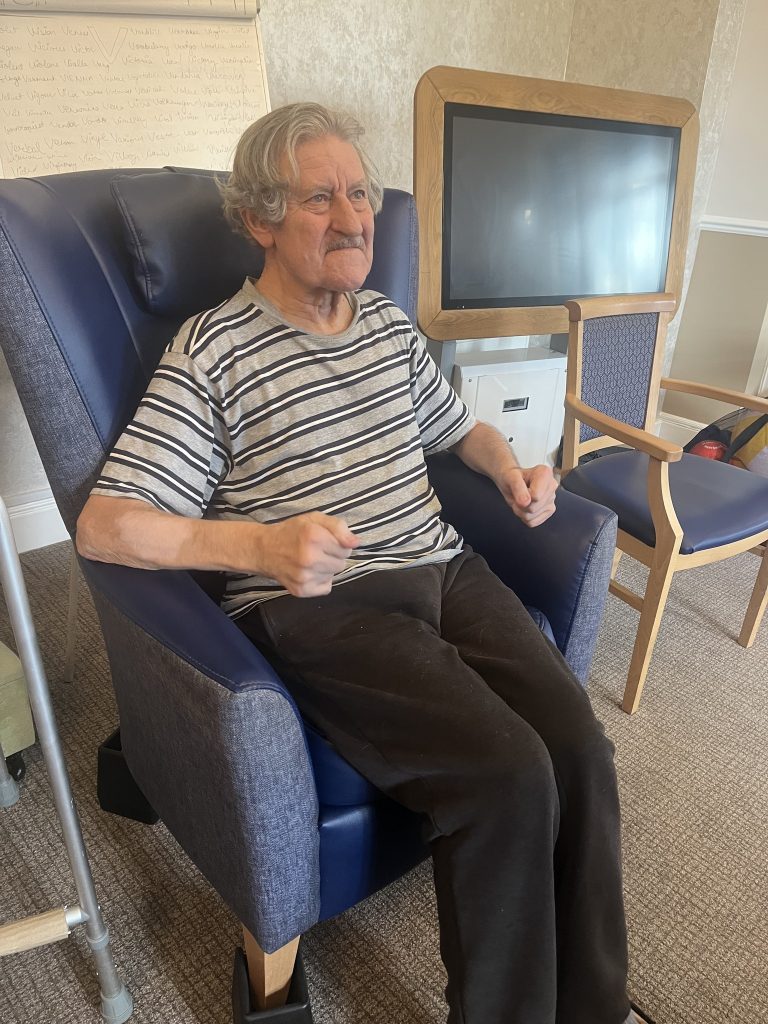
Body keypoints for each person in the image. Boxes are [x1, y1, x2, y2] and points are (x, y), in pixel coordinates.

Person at [76, 103, 645, 1024]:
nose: (352, 217)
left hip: (446, 569)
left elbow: (459, 429)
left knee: (580, 750)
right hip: (328, 606)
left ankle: (593, 1008)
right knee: (507, 773)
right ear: (259, 219)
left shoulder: (383, 323)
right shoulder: (213, 350)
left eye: (360, 194)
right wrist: (258, 545)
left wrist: (512, 473)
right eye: (319, 198)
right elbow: (106, 526)